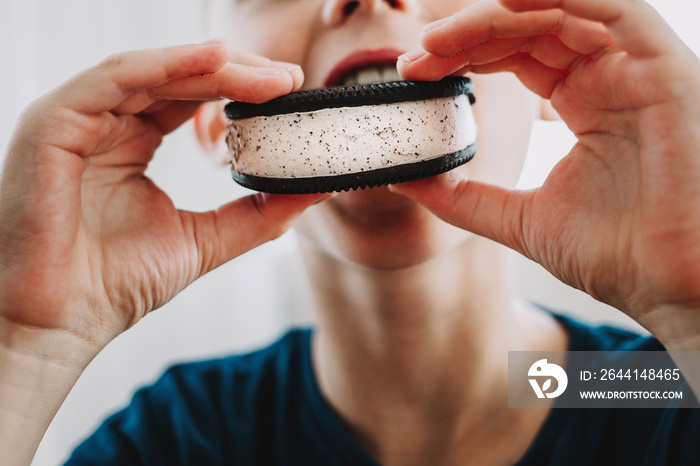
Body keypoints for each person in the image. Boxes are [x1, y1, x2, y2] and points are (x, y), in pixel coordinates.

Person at [2, 0, 700, 464]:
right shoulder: (175, 438)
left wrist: (693, 319)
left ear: (544, 83)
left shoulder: (642, 386)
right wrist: (24, 346)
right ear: (218, 127)